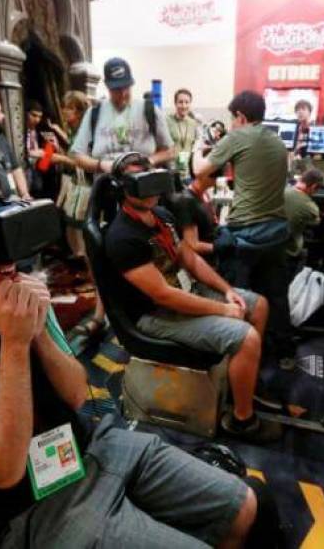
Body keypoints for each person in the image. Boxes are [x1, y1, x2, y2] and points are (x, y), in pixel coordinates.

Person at [0, 165, 266, 548]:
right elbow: (3, 473)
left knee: (243, 508)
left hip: (85, 447)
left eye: (0, 225)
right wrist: (14, 343)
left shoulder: (22, 299)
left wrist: (36, 328)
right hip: (24, 510)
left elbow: (77, 395)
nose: (3, 252)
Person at [105, 153, 281, 443]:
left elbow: (190, 260)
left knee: (258, 305)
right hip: (155, 315)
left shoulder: (162, 216)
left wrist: (227, 291)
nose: (148, 190)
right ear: (122, 188)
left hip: (185, 293)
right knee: (246, 337)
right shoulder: (122, 237)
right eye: (138, 182)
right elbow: (164, 296)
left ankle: (246, 386)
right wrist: (223, 311)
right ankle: (241, 421)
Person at [69, 57, 175, 337]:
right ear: (107, 86)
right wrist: (104, 166)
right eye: (116, 89)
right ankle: (103, 313)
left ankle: (156, 304)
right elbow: (77, 155)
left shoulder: (149, 110)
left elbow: (169, 150)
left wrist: (143, 164)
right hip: (107, 191)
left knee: (150, 247)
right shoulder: (95, 113)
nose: (123, 94)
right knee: (101, 251)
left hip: (144, 193)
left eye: (126, 86)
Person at [192, 90, 294, 367]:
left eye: (232, 118)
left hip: (247, 234)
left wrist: (196, 148)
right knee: (275, 294)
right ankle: (282, 354)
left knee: (237, 294)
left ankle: (237, 357)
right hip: (276, 232)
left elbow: (201, 170)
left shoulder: (238, 135)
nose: (232, 123)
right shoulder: (277, 140)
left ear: (240, 116)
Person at [55, 90, 91, 259]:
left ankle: (84, 259)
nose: (64, 111)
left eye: (68, 108)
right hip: (76, 183)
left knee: (79, 225)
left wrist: (60, 157)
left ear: (78, 111)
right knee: (71, 223)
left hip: (87, 185)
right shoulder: (74, 130)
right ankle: (79, 256)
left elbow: (84, 161)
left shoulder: (86, 132)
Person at [284, 169, 323, 280]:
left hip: (268, 246)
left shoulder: (281, 190)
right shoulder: (310, 206)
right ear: (314, 187)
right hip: (288, 251)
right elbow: (316, 222)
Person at [167, 88, 200, 178]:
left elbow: (197, 143)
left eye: (187, 102)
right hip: (170, 172)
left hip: (187, 173)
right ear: (175, 103)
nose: (184, 105)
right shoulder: (167, 121)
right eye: (180, 102)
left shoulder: (193, 123)